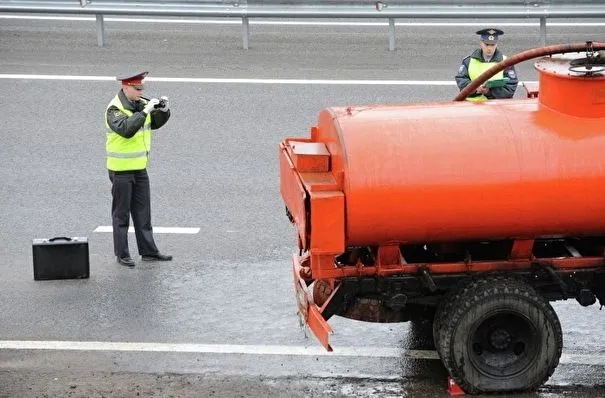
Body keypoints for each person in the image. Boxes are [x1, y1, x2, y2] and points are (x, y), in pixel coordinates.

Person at [104, 71, 173, 267]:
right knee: (121, 214)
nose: (140, 92)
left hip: (139, 168)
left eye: (141, 88)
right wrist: (144, 113)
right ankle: (122, 254)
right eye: (136, 89)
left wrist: (164, 111)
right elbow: (126, 129)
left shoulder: (142, 103)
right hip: (121, 170)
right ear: (125, 87)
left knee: (143, 212)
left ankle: (149, 251)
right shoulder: (114, 109)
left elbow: (154, 124)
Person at [455, 28, 518, 102]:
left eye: (492, 45)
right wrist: (475, 88)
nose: (489, 48)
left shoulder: (506, 63)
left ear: (496, 44)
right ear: (481, 43)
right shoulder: (468, 61)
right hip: (472, 106)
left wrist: (489, 92)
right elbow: (461, 81)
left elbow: (510, 89)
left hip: (496, 108)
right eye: (486, 44)